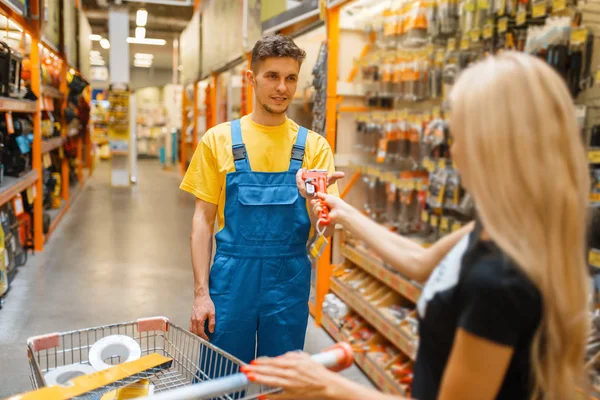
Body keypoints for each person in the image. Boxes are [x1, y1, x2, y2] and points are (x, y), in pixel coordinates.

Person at [243, 51, 591, 400]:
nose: (452, 154)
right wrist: (345, 213)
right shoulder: (501, 227)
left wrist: (327, 386)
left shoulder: (499, 283)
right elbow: (420, 262)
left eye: (459, 137)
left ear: (496, 147)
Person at [180, 35, 343, 364]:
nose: (282, 87)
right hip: (230, 280)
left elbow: (327, 232)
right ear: (251, 78)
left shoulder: (313, 148)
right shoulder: (219, 140)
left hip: (288, 281)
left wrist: (318, 208)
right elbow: (202, 219)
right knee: (220, 380)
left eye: (291, 78)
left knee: (281, 383)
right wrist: (201, 294)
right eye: (272, 76)